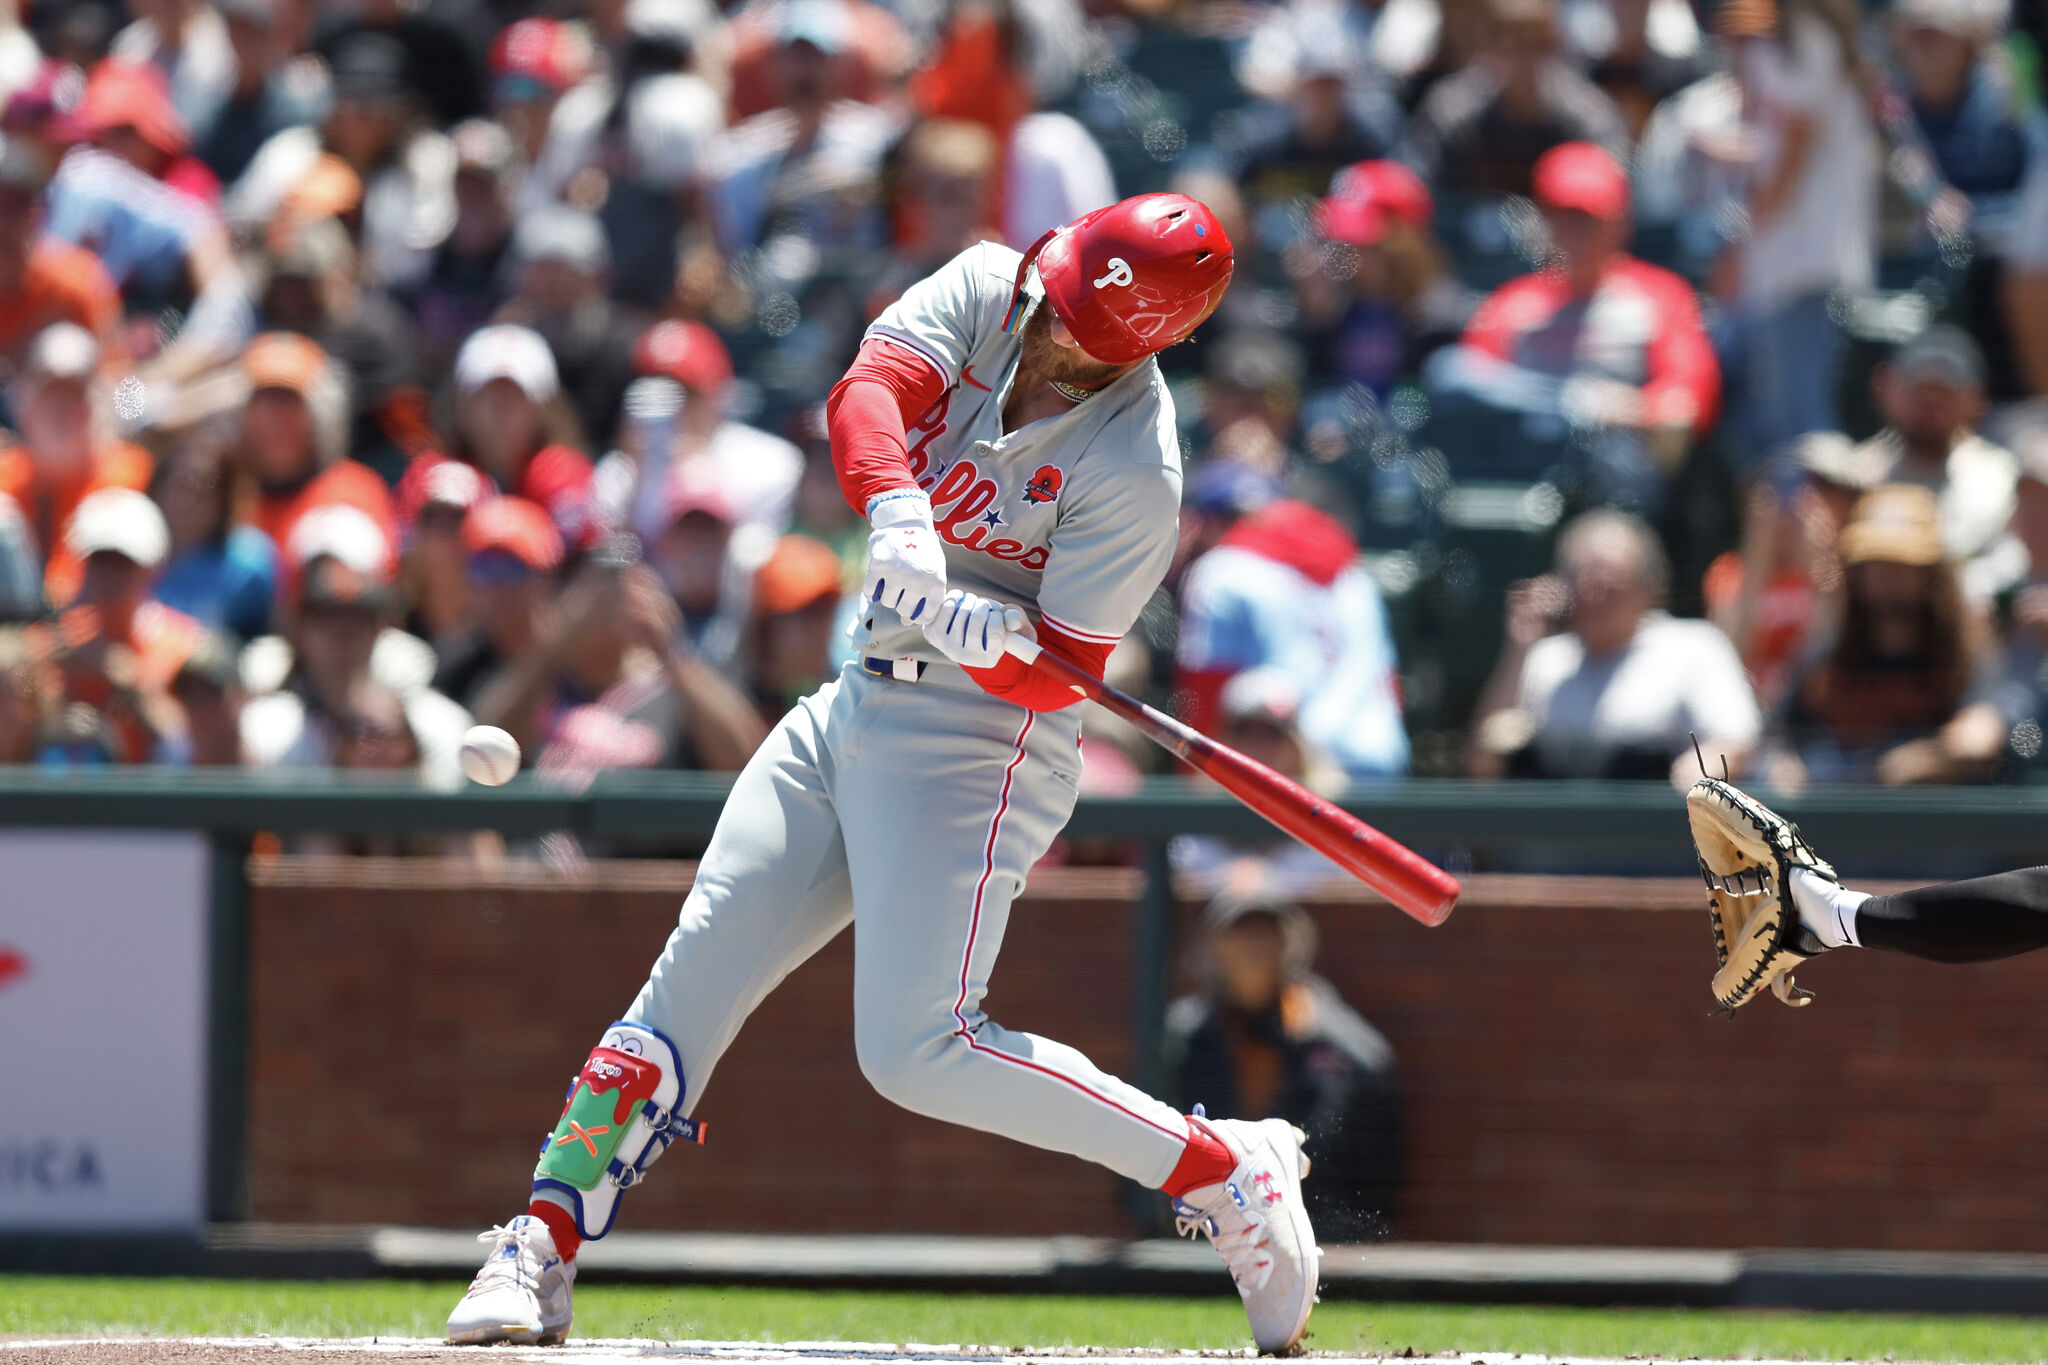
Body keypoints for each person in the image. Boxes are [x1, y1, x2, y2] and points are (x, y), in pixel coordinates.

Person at [445, 195, 1322, 1356]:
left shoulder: (1137, 468)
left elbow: (1064, 676)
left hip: (979, 749)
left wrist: (978, 633)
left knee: (917, 1052)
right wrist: (901, 517)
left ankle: (1222, 1170)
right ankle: (542, 1239)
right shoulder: (990, 284)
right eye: (1055, 298)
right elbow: (866, 393)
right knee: (686, 983)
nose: (1048, 328)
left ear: (1147, 343)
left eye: (1078, 326)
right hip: (851, 700)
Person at [1446, 141, 1719, 514]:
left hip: (1610, 475)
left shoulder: (1660, 297)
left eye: (1586, 221)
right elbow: (1463, 383)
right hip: (1526, 472)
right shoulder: (1512, 303)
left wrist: (1603, 407)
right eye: (1561, 219)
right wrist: (1559, 404)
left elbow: (1684, 408)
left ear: (1619, 224)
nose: (1572, 235)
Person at [1166, 888, 1401, 1243]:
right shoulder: (1186, 1033)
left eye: (1267, 933)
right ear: (1216, 945)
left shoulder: (1326, 1032)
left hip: (1312, 1227)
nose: (1255, 946)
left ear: (1289, 944)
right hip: (1206, 1228)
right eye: (1242, 933)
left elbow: (1374, 1089)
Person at [1469, 508, 1762, 784]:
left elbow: (1735, 741)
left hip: (1652, 828)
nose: (1595, 597)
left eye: (1610, 585)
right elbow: (1485, 764)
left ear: (1648, 586)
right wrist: (1519, 650)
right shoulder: (1546, 659)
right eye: (1584, 584)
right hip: (1558, 831)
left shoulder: (1694, 647)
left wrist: (1692, 781)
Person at [1708, 0, 1874, 473]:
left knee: (1799, 429)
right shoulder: (1796, 39)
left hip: (1802, 266)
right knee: (1765, 425)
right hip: (1784, 267)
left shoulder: (1806, 38)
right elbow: (1781, 149)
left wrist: (1740, 248)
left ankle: (1817, 541)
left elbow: (1793, 160)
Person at [1761, 483, 2005, 788]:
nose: (1885, 575)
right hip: (1835, 821)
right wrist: (1784, 767)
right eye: (1873, 562)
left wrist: (1930, 757)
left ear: (1931, 573)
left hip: (1927, 822)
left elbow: (1981, 736)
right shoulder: (1829, 652)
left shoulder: (1962, 655)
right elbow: (1776, 735)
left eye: (1901, 563)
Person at [1176, 491, 1410, 785]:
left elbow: (1204, 689)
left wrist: (1195, 794)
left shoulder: (1221, 570)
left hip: (1279, 776)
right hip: (1378, 768)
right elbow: (1391, 685)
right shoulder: (1356, 578)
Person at [400, 324, 596, 553]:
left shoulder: (566, 476)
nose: (500, 409)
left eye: (516, 395)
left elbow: (586, 565)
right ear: (460, 405)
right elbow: (402, 567)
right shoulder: (430, 477)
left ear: (544, 408)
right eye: (485, 394)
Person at [1408, 0, 1628, 200]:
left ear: (1554, 48)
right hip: (1471, 240)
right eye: (1511, 45)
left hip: (1563, 239)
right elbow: (1426, 190)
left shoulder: (1587, 115)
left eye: (1536, 44)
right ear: (1488, 49)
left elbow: (1609, 194)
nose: (1524, 58)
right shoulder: (1452, 111)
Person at [1298, 160, 1478, 399]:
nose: (1340, 252)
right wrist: (1315, 321)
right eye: (1338, 240)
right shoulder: (1332, 308)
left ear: (1406, 241)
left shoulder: (1454, 324)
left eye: (1362, 245)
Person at [0, 322, 151, 603]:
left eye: (75, 395)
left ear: (98, 403)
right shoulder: (6, 471)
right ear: (24, 403)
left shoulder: (127, 471)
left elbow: (67, 594)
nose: (61, 410)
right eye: (51, 394)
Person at [1849, 325, 2018, 565]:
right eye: (1919, 392)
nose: (1929, 405)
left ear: (1974, 401)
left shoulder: (2001, 481)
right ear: (1885, 387)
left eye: (1943, 395)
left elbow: (2010, 563)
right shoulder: (1854, 476)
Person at [235, 330, 395, 559]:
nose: (275, 420)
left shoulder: (353, 493)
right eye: (264, 401)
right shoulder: (224, 499)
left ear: (323, 416)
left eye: (289, 402)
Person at [149, 431, 278, 641]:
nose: (188, 499)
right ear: (157, 487)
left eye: (202, 486)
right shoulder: (130, 553)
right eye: (179, 484)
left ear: (223, 498)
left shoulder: (248, 563)